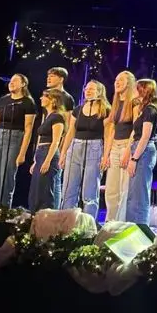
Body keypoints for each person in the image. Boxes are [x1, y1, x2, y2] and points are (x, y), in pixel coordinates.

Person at [0, 74, 37, 213]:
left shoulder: (28, 103)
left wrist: (22, 153)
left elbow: (28, 129)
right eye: (11, 81)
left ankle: (2, 213)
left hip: (15, 138)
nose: (11, 83)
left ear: (23, 84)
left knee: (7, 178)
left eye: (15, 81)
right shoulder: (3, 100)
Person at [59, 80, 110, 218]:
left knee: (90, 190)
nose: (88, 91)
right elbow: (70, 132)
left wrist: (106, 156)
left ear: (99, 92)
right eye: (86, 89)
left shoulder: (105, 110)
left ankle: (88, 223)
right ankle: (66, 221)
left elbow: (108, 134)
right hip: (75, 147)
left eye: (91, 89)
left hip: (95, 147)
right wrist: (63, 153)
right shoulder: (78, 110)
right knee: (69, 188)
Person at [126, 79, 157, 225]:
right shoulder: (142, 109)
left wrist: (134, 159)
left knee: (139, 194)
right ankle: (131, 226)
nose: (133, 90)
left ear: (144, 90)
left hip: (143, 152)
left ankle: (140, 227)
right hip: (138, 149)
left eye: (136, 88)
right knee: (134, 193)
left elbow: (145, 136)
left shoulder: (150, 110)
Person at [104, 70, 136, 221]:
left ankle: (121, 223)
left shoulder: (134, 102)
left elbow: (135, 130)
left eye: (121, 80)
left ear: (129, 83)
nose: (117, 82)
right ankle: (110, 222)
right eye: (116, 80)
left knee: (124, 189)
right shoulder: (116, 103)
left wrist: (128, 151)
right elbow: (112, 130)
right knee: (111, 189)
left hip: (126, 147)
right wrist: (106, 154)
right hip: (115, 148)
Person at [28, 88, 67, 212]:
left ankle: (47, 216)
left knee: (45, 189)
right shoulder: (48, 116)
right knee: (36, 189)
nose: (41, 98)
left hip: (48, 153)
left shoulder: (57, 117)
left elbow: (56, 141)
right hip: (41, 153)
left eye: (44, 96)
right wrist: (36, 161)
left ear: (53, 100)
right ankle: (35, 215)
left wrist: (47, 161)